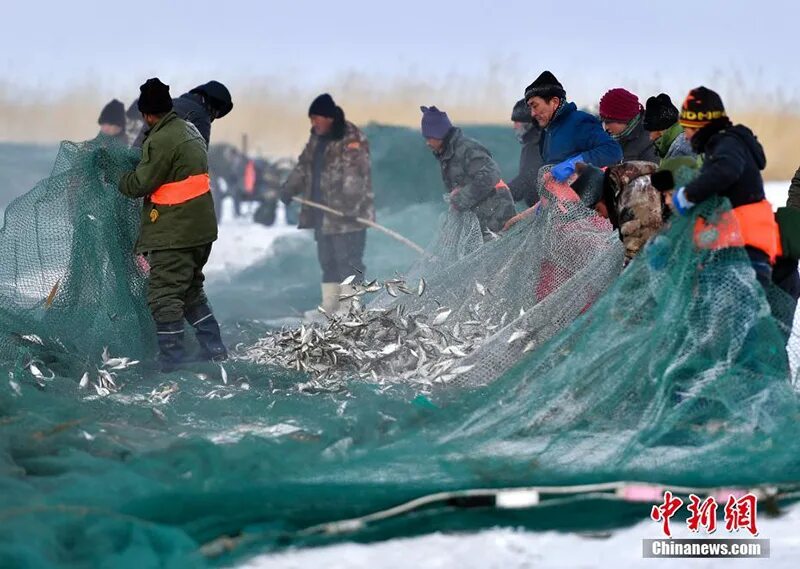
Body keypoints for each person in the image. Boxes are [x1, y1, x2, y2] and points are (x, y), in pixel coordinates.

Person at [116, 78, 226, 370]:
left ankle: (172, 364)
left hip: (175, 232)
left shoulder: (162, 138)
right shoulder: (190, 128)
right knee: (189, 291)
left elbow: (140, 183)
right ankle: (215, 351)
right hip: (200, 230)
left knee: (164, 296)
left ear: (147, 114)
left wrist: (116, 176)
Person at [671, 87, 781, 288]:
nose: (685, 136)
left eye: (686, 128)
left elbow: (726, 170)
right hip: (740, 249)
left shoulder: (727, 143)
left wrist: (688, 195)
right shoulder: (724, 144)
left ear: (700, 127)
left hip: (744, 252)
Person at [281, 93, 375, 316]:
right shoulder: (317, 138)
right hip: (322, 216)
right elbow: (304, 167)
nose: (313, 123)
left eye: (316, 118)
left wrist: (348, 207)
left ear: (328, 117)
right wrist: (289, 188)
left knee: (349, 263)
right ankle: (331, 308)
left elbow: (356, 176)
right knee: (328, 262)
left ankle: (350, 312)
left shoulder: (352, 138)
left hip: (348, 217)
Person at [420, 105, 515, 238]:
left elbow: (491, 174)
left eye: (429, 137)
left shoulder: (467, 149)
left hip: (497, 214)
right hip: (479, 216)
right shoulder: (447, 153)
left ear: (438, 134)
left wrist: (460, 199)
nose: (427, 143)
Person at [524, 70, 622, 182]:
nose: (532, 113)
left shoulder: (579, 122)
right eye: (530, 108)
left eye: (535, 106)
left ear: (554, 102)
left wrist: (573, 164)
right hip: (559, 198)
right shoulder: (547, 132)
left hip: (586, 197)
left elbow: (613, 150)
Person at [131, 80, 233, 147]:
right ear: (212, 107)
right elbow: (198, 162)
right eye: (215, 115)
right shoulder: (201, 117)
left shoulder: (169, 103)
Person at [598, 88, 659, 163]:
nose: (605, 127)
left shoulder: (650, 142)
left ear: (623, 119)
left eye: (608, 121)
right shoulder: (616, 136)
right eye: (602, 120)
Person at [508, 99, 543, 207]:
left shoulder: (536, 145)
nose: (514, 126)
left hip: (548, 213)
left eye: (517, 122)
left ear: (528, 123)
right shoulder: (536, 141)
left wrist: (502, 193)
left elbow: (528, 179)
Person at [642, 93, 695, 163]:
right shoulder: (676, 144)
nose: (651, 138)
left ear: (662, 130)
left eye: (652, 131)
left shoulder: (681, 151)